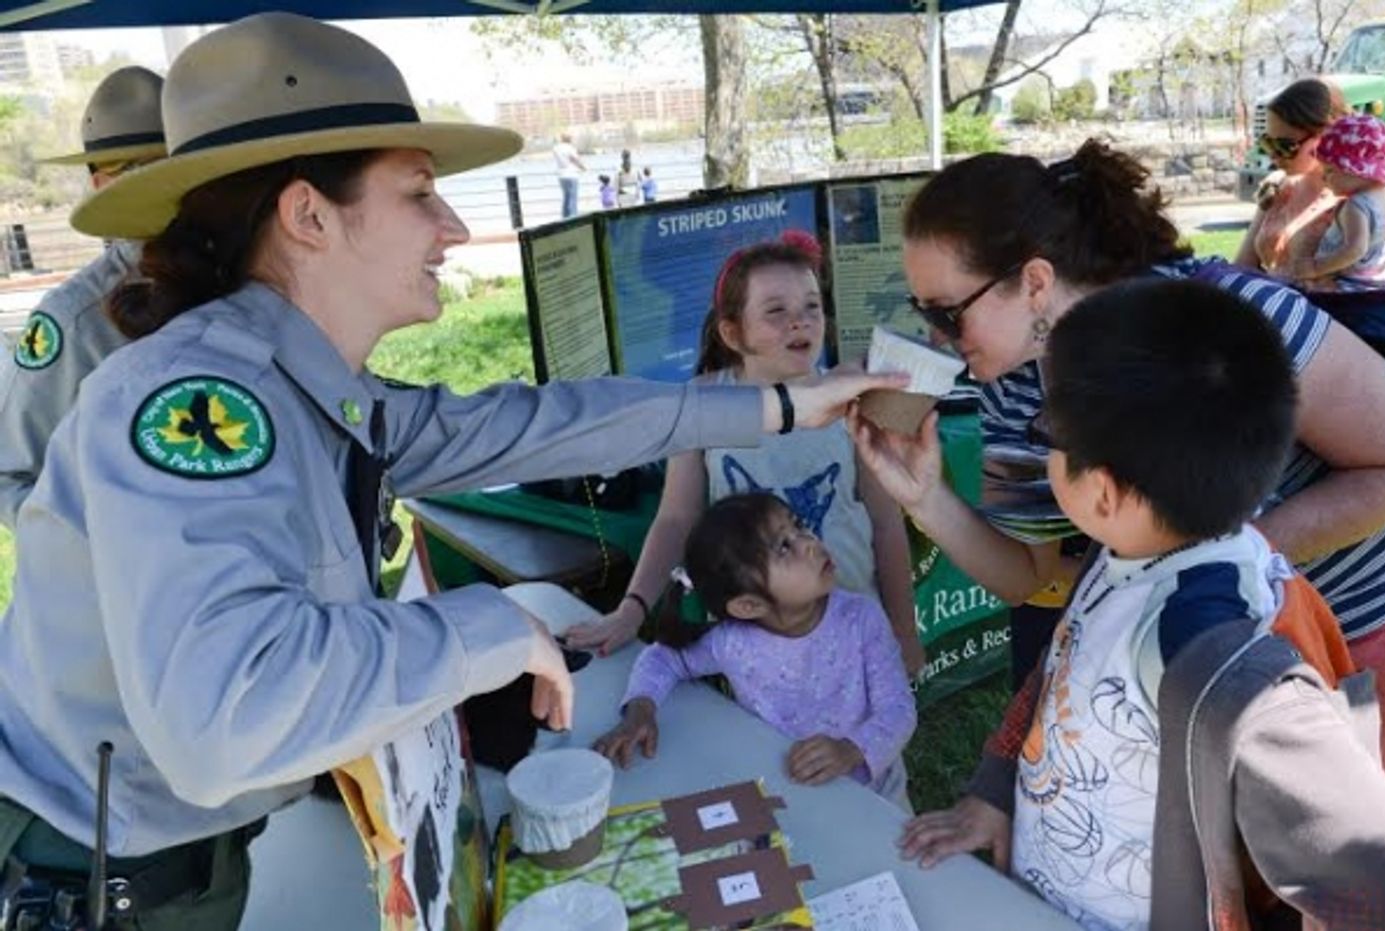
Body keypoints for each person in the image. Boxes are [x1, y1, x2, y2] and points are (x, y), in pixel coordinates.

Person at [0, 15, 901, 930]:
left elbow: (540, 424)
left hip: (177, 852)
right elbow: (224, 716)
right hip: (93, 876)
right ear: (309, 215)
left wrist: (782, 404)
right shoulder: (196, 405)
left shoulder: (309, 388)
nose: (455, 227)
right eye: (421, 193)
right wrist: (488, 628)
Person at [852, 138, 1385, 780]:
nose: (935, 337)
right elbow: (1027, 576)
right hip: (1200, 651)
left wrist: (1220, 561)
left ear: (1034, 282)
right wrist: (923, 496)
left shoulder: (1233, 317)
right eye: (922, 312)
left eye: (948, 313)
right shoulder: (1014, 383)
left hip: (1342, 630)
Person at [896, 279, 1385, 930]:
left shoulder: (1215, 655)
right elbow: (1061, 668)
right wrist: (996, 790)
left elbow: (1370, 877)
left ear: (1103, 490)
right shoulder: (1123, 553)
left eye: (1046, 432)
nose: (1040, 446)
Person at [565, 232, 921, 675]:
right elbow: (675, 519)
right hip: (754, 649)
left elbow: (885, 522)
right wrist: (630, 611)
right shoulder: (701, 403)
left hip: (854, 632)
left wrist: (904, 632)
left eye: (811, 306)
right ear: (733, 333)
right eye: (776, 311)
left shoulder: (852, 400)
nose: (800, 322)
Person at [594, 493, 917, 807]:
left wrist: (851, 750)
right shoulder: (733, 643)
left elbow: (898, 709)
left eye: (799, 526)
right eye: (784, 547)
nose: (809, 542)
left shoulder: (860, 619)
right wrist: (641, 710)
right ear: (748, 606)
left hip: (875, 797)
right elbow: (663, 658)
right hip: (784, 795)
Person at [0, 66, 167, 529]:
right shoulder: (75, 319)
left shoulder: (252, 277)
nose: (162, 185)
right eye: (137, 171)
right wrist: (106, 549)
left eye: (172, 164)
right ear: (98, 186)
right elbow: (12, 472)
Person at [1236, 78, 1349, 275]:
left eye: (1285, 146)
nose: (1273, 155)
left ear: (1326, 135)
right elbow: (1242, 266)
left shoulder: (1359, 196)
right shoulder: (1278, 185)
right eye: (1268, 143)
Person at [1291, 113, 1385, 288]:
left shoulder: (1355, 206)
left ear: (1355, 169)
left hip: (1344, 283)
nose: (1324, 177)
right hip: (1374, 279)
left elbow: (1355, 249)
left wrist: (1315, 268)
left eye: (1330, 170)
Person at [551, 131, 587, 219]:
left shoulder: (556, 148)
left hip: (561, 175)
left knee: (566, 197)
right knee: (572, 197)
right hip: (571, 174)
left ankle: (564, 217)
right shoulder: (570, 148)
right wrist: (583, 167)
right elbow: (574, 159)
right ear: (569, 139)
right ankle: (573, 217)